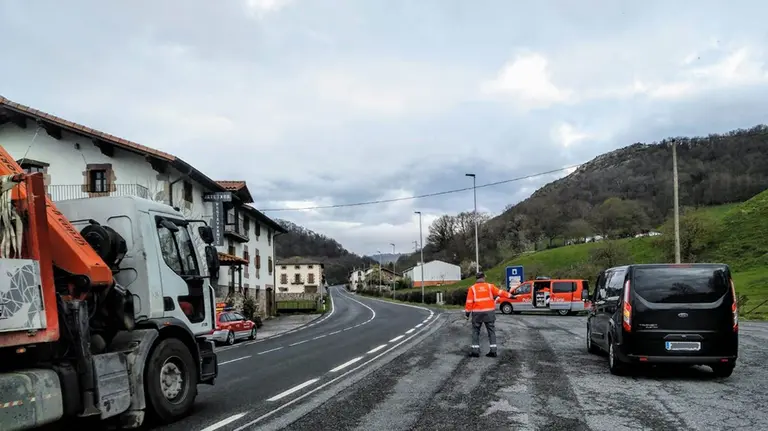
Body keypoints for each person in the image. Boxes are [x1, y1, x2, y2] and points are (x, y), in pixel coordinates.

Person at [465, 271, 514, 358]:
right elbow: (500, 292)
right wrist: (510, 296)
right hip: (489, 313)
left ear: (476, 278)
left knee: (475, 332)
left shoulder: (472, 288)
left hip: (477, 313)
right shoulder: (489, 286)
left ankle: (475, 351)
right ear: (483, 278)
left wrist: (467, 313)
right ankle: (493, 351)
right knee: (491, 331)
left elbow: (469, 302)